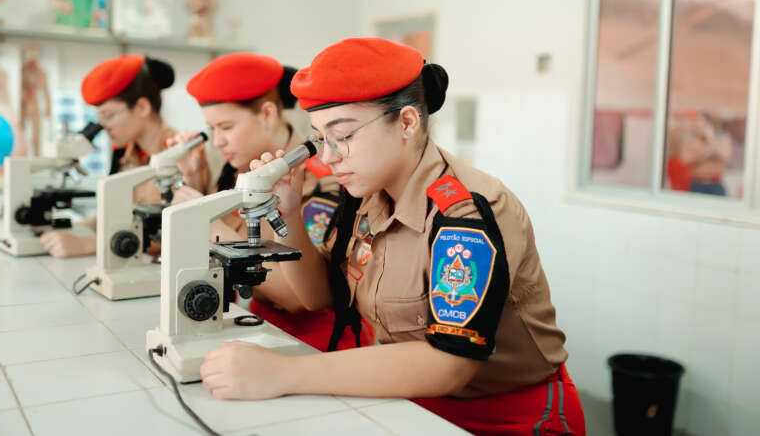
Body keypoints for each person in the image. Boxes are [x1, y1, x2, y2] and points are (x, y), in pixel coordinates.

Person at [199, 38, 585, 436]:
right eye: (320, 139)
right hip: (411, 403)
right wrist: (290, 214)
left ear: (406, 123)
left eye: (343, 135)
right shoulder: (370, 197)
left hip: (506, 417)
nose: (328, 157)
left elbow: (450, 363)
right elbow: (320, 297)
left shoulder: (464, 214)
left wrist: (282, 373)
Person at [171, 52, 374, 351]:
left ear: (267, 114)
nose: (217, 141)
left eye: (226, 127)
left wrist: (206, 224)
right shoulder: (238, 173)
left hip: (315, 348)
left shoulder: (324, 183)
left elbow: (298, 299)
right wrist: (192, 182)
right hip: (257, 333)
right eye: (212, 129)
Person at [39, 54, 176, 257]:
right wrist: (80, 227)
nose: (103, 125)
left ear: (142, 107)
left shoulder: (180, 155)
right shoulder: (127, 154)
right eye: (99, 117)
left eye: (109, 115)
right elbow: (123, 213)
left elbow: (179, 234)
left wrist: (91, 244)